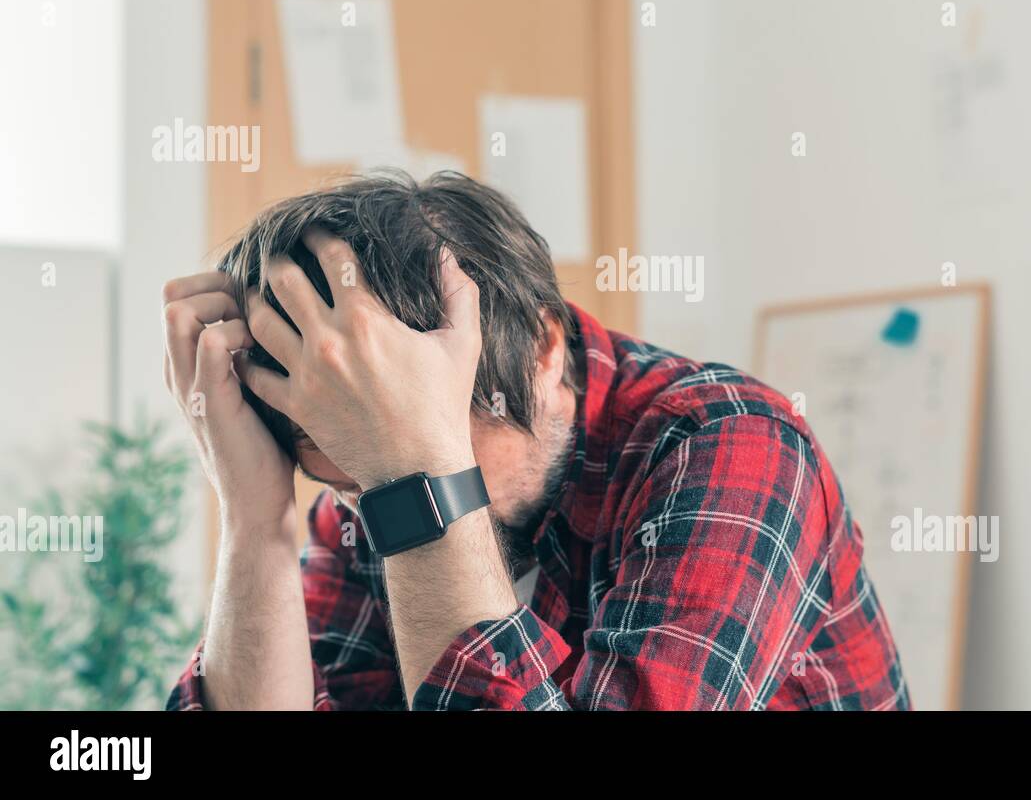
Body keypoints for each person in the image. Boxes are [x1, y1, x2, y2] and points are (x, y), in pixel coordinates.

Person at [163, 171, 908, 710]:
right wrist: (255, 519)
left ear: (544, 350)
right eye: (347, 477)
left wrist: (415, 474)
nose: (364, 511)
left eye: (418, 440)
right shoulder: (363, 496)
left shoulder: (731, 445)